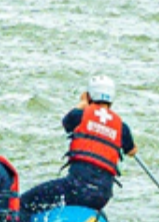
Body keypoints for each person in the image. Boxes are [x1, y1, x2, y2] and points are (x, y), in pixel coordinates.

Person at [19, 75, 135, 214]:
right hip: (102, 197)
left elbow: (67, 122)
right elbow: (132, 151)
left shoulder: (80, 115)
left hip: (75, 189)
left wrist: (82, 103)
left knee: (25, 201)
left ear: (89, 95)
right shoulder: (122, 127)